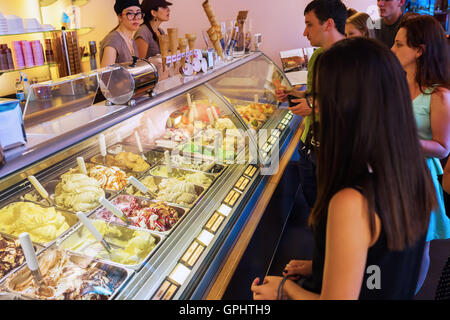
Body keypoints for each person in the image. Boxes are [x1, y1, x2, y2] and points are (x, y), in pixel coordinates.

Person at [251, 37, 436, 300]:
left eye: (321, 97)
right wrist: (322, 267)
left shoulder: (352, 200)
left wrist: (285, 289)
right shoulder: (411, 171)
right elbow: (380, 267)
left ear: (345, 105)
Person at [392, 15, 450, 293]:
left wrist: (403, 140)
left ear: (419, 51)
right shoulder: (395, 84)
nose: (392, 50)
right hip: (390, 173)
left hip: (419, 180)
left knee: (418, 248)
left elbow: (443, 147)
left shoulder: (438, 96)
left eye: (399, 44)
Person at [275, 0, 347, 209]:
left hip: (332, 151)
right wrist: (292, 93)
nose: (304, 33)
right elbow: (318, 93)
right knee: (314, 206)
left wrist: (314, 107)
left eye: (309, 24)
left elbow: (353, 104)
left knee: (328, 211)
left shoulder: (351, 59)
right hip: (309, 144)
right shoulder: (318, 55)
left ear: (329, 24)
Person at [100, 0, 142, 68]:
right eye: (130, 13)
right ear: (120, 17)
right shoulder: (113, 40)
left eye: (138, 13)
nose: (136, 18)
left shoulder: (132, 41)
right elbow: (106, 76)